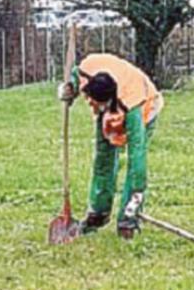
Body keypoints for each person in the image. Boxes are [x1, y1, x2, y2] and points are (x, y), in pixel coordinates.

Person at [58, 53, 163, 239]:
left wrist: (135, 199)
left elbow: (136, 159)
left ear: (108, 102)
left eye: (96, 104)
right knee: (103, 157)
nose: (91, 104)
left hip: (147, 105)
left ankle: (127, 220)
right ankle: (98, 213)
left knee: (134, 164)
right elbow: (75, 75)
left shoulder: (132, 107)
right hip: (112, 100)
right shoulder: (87, 69)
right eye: (89, 99)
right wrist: (70, 88)